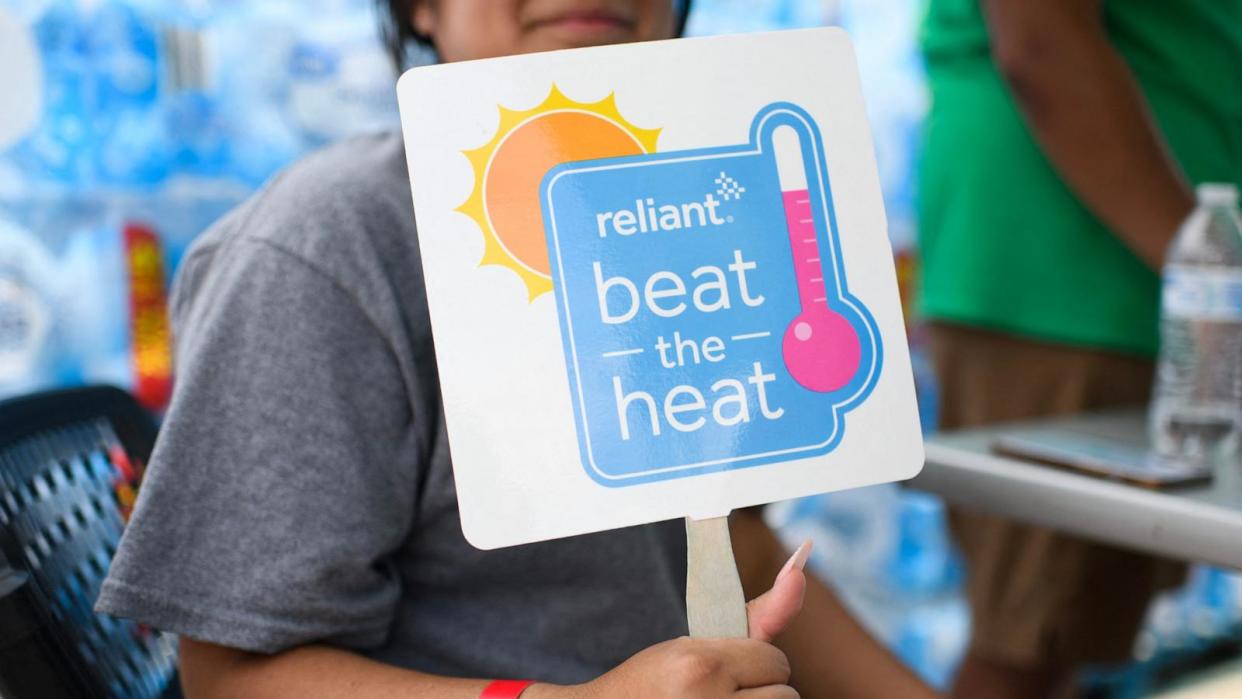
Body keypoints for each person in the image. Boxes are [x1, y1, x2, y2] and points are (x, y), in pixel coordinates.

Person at [97, 2, 938, 697]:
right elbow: (232, 677)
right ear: (421, 8)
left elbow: (733, 544)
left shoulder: (684, 212)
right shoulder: (326, 249)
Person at [918, 1, 1242, 697]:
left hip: (1138, 279)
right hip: (1069, 272)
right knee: (1027, 639)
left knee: (1064, 636)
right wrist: (1209, 274)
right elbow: (1041, 42)